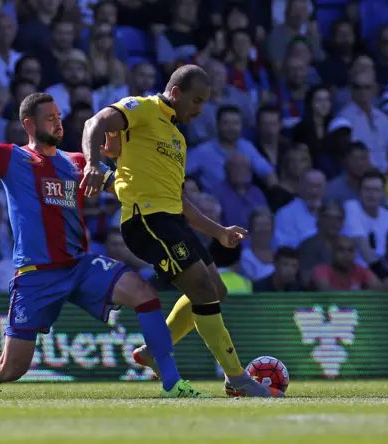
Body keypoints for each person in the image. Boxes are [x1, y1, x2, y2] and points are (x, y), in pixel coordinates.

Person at [0, 91, 206, 399]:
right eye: (50, 118)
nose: (58, 123)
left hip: (78, 266)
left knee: (144, 295)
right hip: (35, 274)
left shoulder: (76, 163)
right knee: (10, 368)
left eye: (59, 117)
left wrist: (127, 164)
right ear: (29, 124)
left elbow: (126, 188)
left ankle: (172, 382)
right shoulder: (11, 159)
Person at [80, 64, 283, 398]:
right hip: (145, 220)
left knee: (217, 290)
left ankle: (151, 351)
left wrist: (218, 232)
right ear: (175, 93)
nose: (200, 109)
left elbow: (180, 198)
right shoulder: (142, 109)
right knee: (203, 288)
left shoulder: (177, 138)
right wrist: (91, 164)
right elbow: (95, 122)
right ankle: (237, 379)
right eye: (197, 100)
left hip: (172, 219)